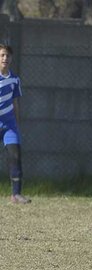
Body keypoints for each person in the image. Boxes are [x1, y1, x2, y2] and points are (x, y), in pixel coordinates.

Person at [0, 44, 31, 204]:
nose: (5, 58)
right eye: (2, 55)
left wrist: (17, 125)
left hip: (9, 126)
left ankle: (16, 194)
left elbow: (15, 102)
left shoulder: (14, 79)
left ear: (11, 59)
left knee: (15, 156)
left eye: (8, 56)